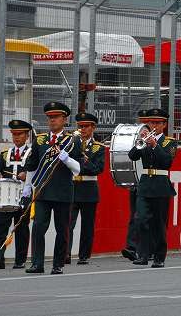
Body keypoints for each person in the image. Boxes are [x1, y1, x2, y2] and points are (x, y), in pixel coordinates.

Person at [24, 102, 82, 274]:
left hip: (63, 192)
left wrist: (67, 159)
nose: (52, 120)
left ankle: (58, 264)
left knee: (62, 230)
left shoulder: (73, 140)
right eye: (50, 117)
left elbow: (79, 168)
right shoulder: (40, 140)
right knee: (38, 227)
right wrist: (28, 186)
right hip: (42, 191)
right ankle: (37, 263)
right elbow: (32, 165)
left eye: (56, 117)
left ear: (64, 119)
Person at [129, 108, 176, 268]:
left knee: (159, 223)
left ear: (164, 124)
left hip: (161, 184)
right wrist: (139, 142)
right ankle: (142, 255)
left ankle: (159, 257)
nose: (153, 125)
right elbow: (132, 155)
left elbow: (167, 162)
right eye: (151, 122)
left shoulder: (169, 142)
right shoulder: (144, 140)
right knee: (140, 219)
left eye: (157, 123)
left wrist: (155, 145)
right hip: (145, 185)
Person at [0, 119, 32, 270]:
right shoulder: (6, 153)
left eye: (20, 134)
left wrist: (27, 175)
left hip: (24, 196)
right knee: (1, 226)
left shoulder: (32, 153)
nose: (17, 138)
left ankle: (20, 260)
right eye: (14, 135)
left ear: (27, 136)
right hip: (6, 197)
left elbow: (37, 172)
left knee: (21, 228)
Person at [67, 112, 105, 265]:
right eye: (80, 126)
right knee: (68, 223)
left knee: (87, 226)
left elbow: (98, 169)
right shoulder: (71, 144)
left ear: (93, 128)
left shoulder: (98, 148)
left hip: (89, 189)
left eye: (86, 126)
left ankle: (84, 255)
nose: (82, 129)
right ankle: (65, 253)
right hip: (72, 187)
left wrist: (85, 162)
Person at [121, 109, 149, 261]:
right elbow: (131, 156)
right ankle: (132, 247)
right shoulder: (137, 138)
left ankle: (147, 249)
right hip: (136, 181)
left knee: (147, 218)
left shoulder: (164, 141)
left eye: (147, 121)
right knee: (135, 216)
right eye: (142, 120)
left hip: (150, 183)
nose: (143, 124)